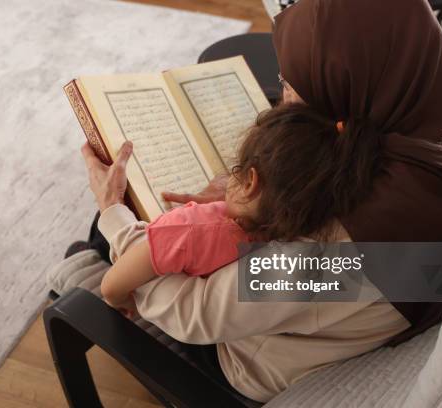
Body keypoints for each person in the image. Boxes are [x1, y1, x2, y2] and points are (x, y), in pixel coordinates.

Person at [48, 0, 442, 402]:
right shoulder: (434, 145)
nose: (285, 95)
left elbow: (198, 315)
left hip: (247, 364)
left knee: (113, 228)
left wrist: (114, 215)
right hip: (331, 311)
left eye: (292, 83)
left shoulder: (342, 255)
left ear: (343, 91)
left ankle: (91, 258)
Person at [100, 105, 348, 314]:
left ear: (250, 182)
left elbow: (111, 287)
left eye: (236, 168)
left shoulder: (188, 227)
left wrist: (127, 305)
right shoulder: (278, 237)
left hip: (169, 312)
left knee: (97, 241)